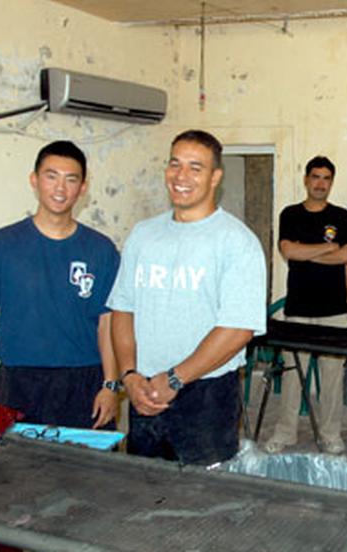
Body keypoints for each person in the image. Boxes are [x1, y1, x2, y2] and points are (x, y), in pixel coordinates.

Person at [108, 130, 266, 465]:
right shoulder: (143, 234)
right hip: (144, 390)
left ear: (215, 177)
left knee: (203, 503)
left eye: (196, 167)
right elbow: (123, 309)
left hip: (205, 394)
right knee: (144, 492)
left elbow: (238, 329)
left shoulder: (237, 242)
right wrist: (130, 375)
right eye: (175, 164)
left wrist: (177, 377)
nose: (182, 176)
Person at [0, 141, 120, 430]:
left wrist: (111, 386)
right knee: (11, 473)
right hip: (17, 386)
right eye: (51, 176)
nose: (60, 188)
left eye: (71, 179)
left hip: (84, 385)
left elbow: (108, 324)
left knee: (87, 473)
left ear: (83, 187)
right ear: (34, 180)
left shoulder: (101, 250)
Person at [265, 156, 347, 455]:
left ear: (331, 182)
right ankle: (285, 432)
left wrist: (308, 254)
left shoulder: (342, 216)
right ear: (306, 179)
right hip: (298, 309)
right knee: (294, 375)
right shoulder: (290, 214)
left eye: (326, 178)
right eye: (316, 177)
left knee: (332, 378)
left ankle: (330, 434)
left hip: (334, 310)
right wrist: (326, 248)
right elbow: (288, 250)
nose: (321, 183)